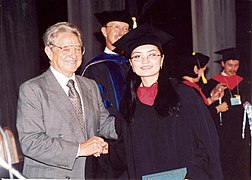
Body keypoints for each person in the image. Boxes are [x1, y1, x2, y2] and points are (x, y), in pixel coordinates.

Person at [108, 23, 223, 179]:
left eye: (152, 54)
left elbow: (205, 141)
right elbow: (125, 153)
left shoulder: (185, 94)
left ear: (162, 60)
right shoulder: (128, 104)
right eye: (137, 56)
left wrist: (194, 176)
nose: (145, 61)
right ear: (131, 64)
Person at [16, 22, 117, 179]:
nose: (74, 54)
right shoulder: (33, 89)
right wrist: (79, 149)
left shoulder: (89, 85)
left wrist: (134, 125)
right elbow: (31, 142)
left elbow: (103, 123)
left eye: (78, 48)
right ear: (49, 52)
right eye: (66, 48)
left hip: (89, 174)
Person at [202, 47, 251, 179]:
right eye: (230, 65)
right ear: (223, 64)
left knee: (241, 164)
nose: (233, 69)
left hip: (240, 132)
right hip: (221, 131)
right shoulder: (212, 83)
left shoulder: (244, 83)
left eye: (236, 65)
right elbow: (206, 106)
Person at [80, 9, 133, 116]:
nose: (122, 32)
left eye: (125, 28)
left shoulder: (134, 64)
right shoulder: (94, 68)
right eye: (116, 27)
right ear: (104, 31)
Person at [176, 52, 228, 119]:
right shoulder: (187, 90)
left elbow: (199, 107)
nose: (202, 74)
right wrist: (218, 109)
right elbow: (197, 116)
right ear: (196, 69)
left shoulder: (188, 87)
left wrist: (211, 99)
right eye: (202, 70)